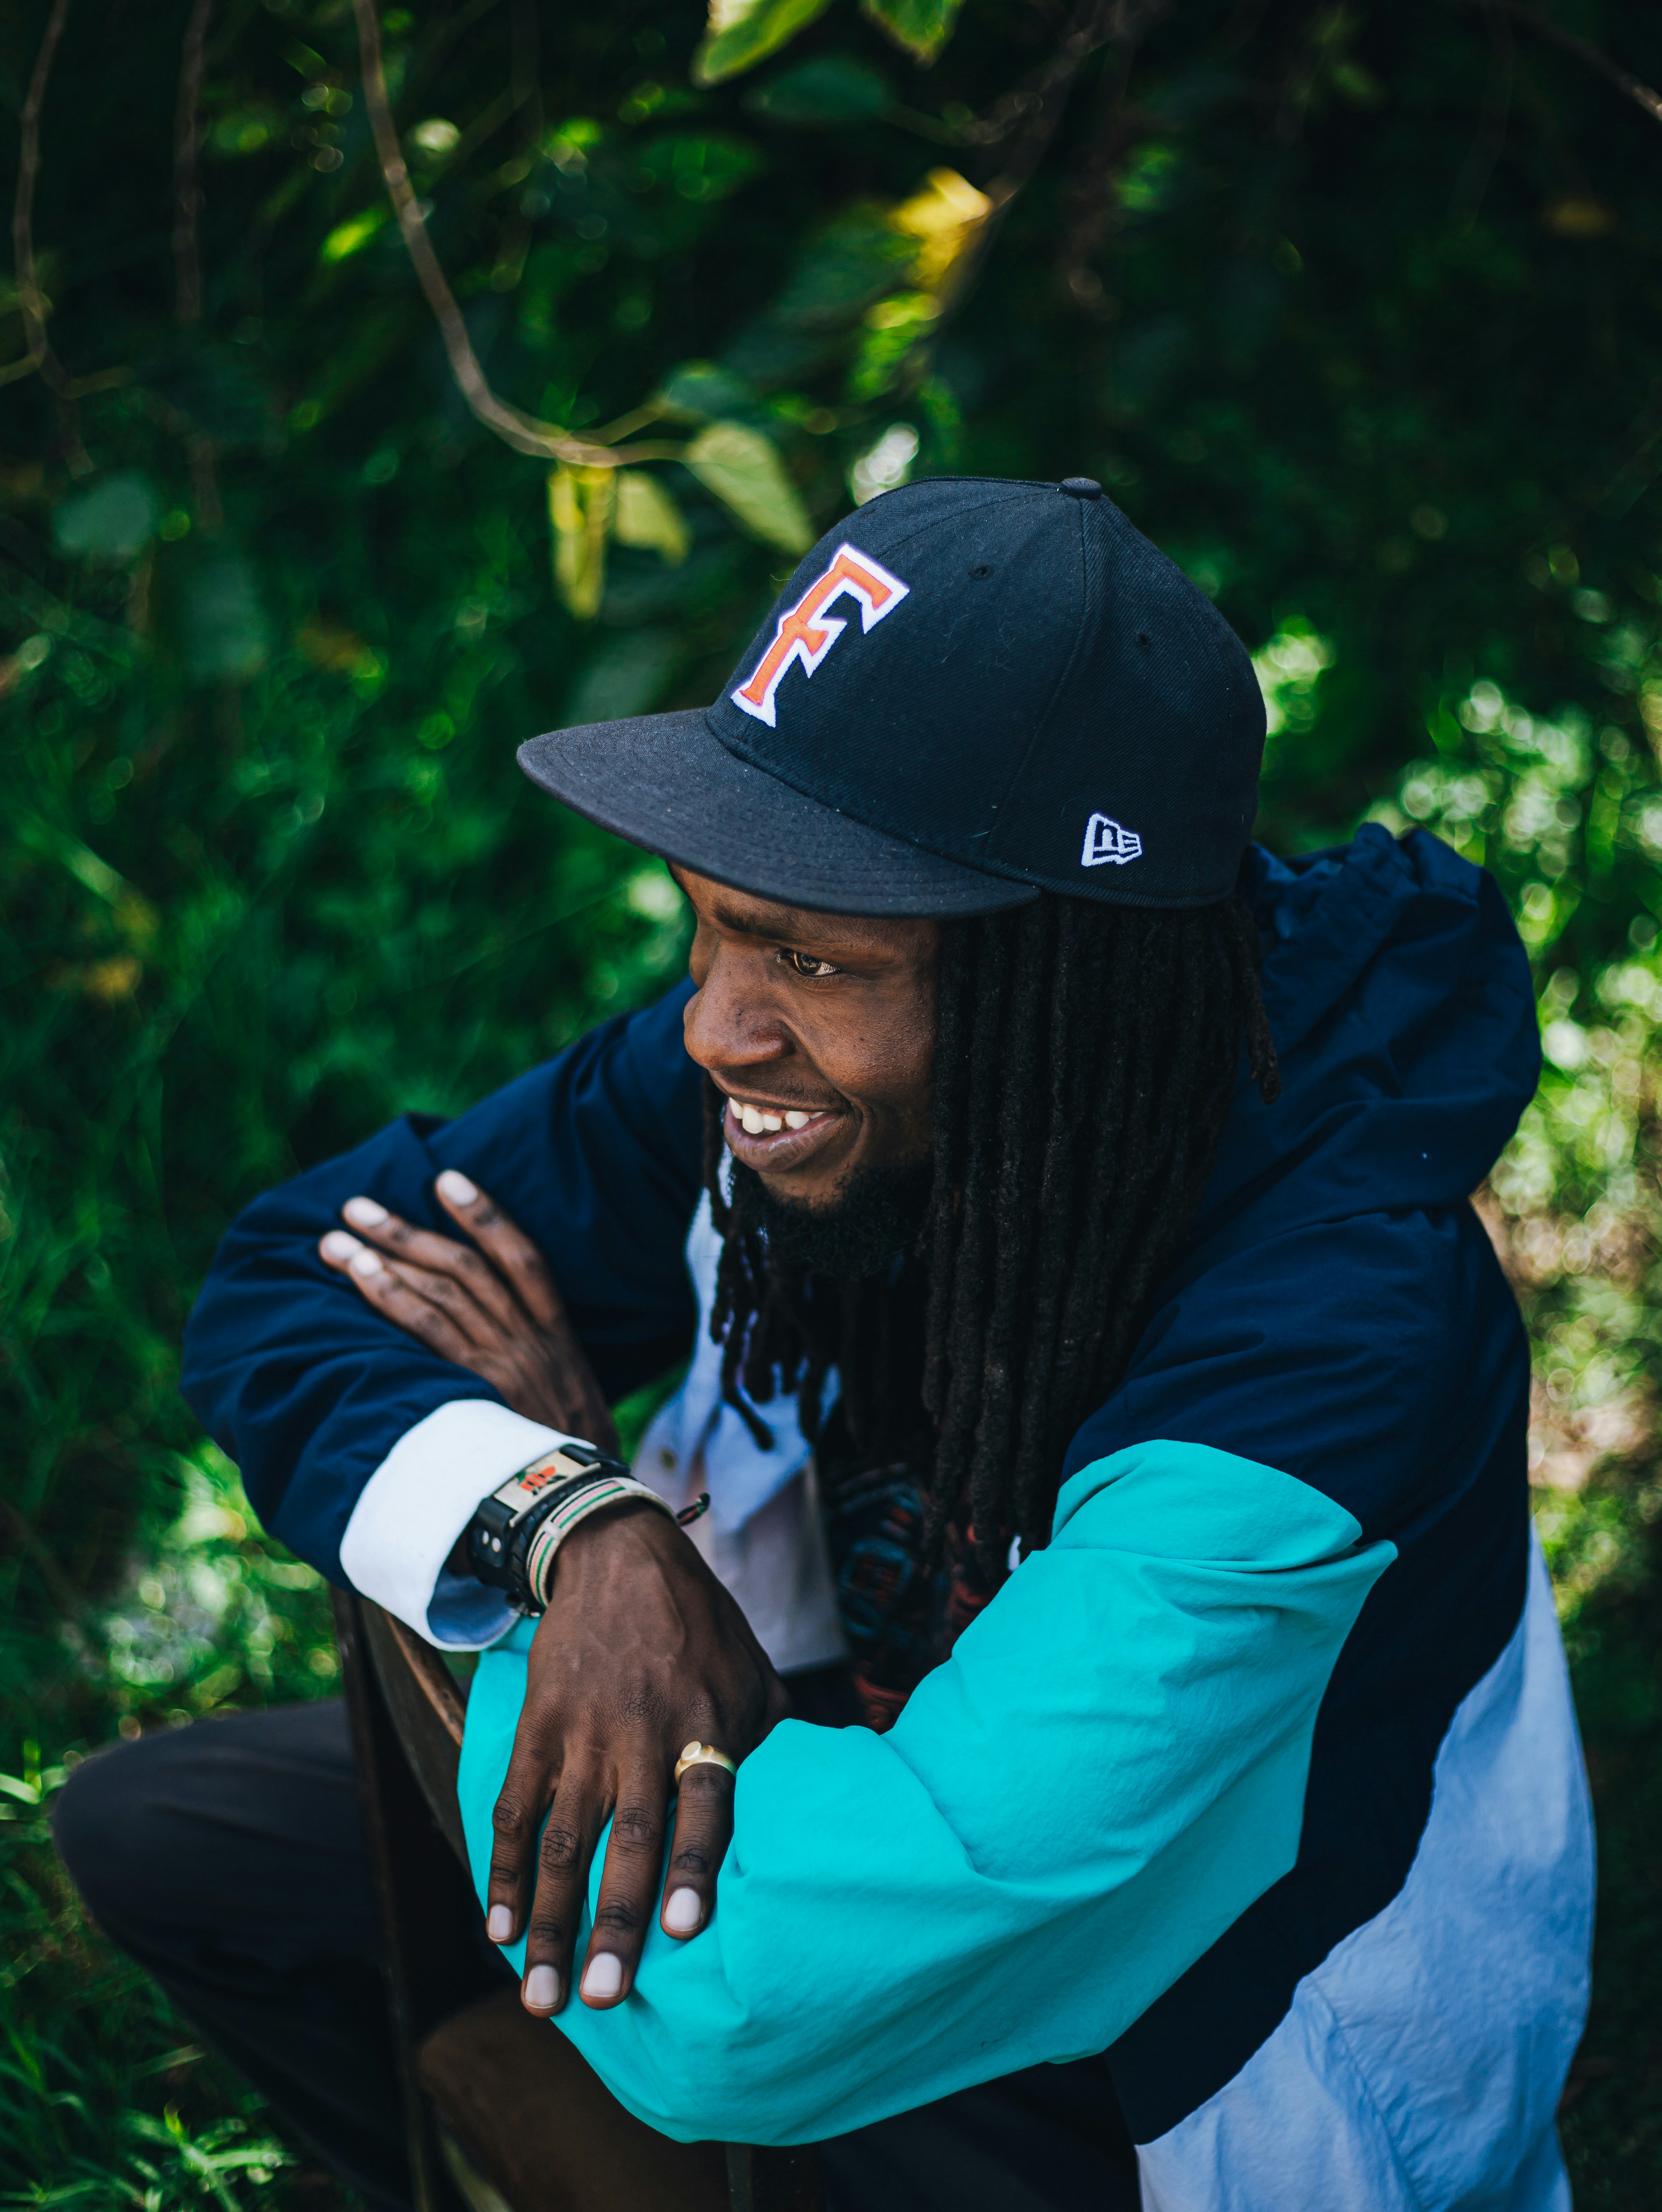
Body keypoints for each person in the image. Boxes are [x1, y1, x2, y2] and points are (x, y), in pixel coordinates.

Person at [54, 475, 1592, 2212]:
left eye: (809, 952)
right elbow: (298, 1276)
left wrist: (526, 1594)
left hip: (1176, 2049)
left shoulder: (1321, 1357)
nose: (714, 1026)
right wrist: (578, 1533)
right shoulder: (814, 1081)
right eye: (710, 916)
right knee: (169, 1842)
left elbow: (748, 2004)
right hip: (829, 1773)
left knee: (767, 2070)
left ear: (1054, 980)